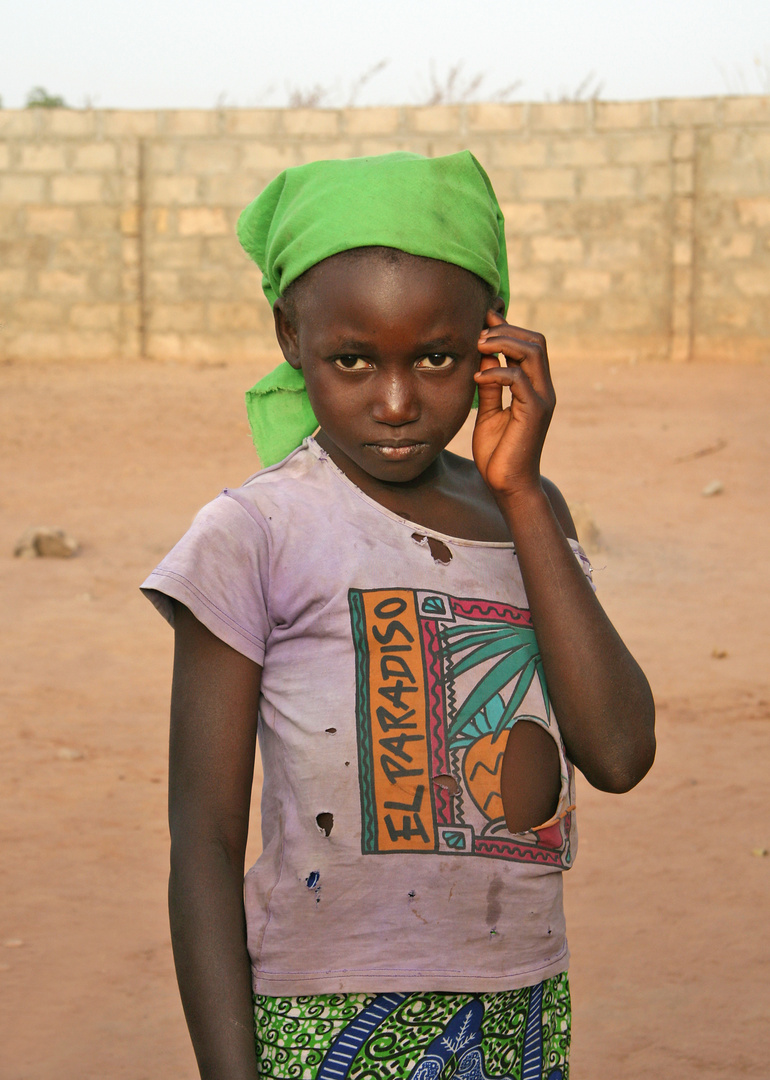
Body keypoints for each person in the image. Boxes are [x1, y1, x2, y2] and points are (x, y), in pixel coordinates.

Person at [142, 151, 655, 1080]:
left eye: (437, 357)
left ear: (494, 338)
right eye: (351, 360)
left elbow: (618, 754)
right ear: (289, 336)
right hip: (320, 1014)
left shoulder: (526, 517)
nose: (395, 402)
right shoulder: (256, 530)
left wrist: (524, 495)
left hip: (519, 1007)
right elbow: (204, 841)